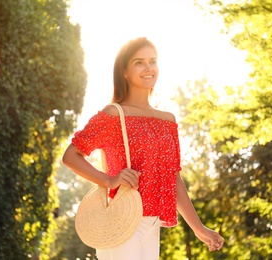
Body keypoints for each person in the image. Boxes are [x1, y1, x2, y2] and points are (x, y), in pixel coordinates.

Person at [62, 37, 224, 259]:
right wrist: (109, 180)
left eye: (153, 61)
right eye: (139, 62)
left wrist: (198, 227)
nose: (148, 68)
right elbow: (71, 156)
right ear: (125, 71)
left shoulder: (167, 121)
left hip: (152, 223)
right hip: (122, 220)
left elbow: (172, 177)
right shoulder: (113, 115)